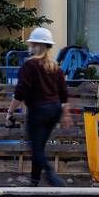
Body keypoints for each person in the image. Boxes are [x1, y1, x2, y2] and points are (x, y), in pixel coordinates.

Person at [9, 27, 68, 186]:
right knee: (39, 147)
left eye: (33, 44)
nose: (31, 47)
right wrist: (64, 115)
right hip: (54, 111)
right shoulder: (55, 67)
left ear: (37, 46)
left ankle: (50, 175)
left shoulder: (30, 65)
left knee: (35, 147)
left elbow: (20, 92)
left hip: (39, 111)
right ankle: (34, 181)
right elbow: (63, 94)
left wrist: (10, 112)